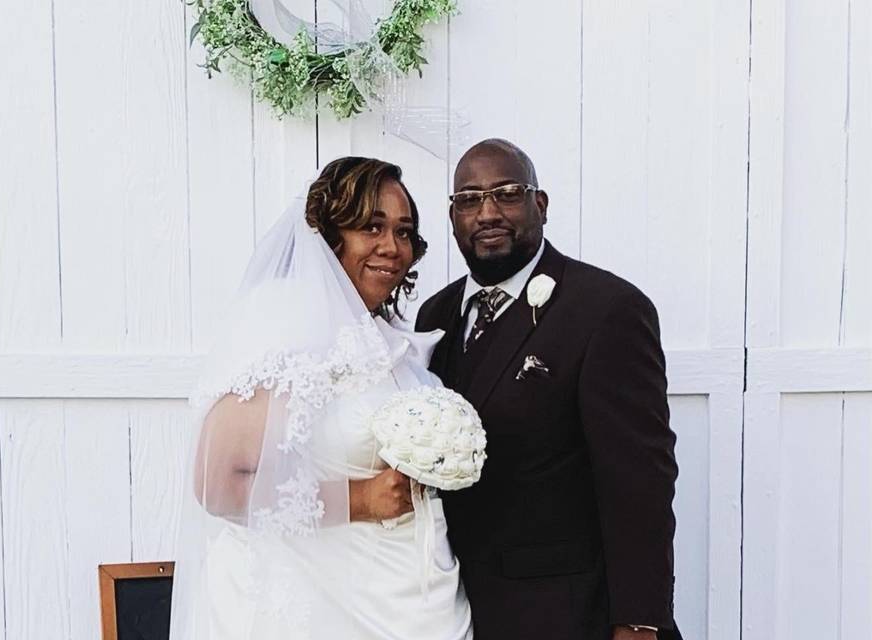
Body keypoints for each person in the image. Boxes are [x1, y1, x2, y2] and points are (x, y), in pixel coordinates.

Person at [170, 157, 472, 640]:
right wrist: (362, 499)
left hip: (411, 599)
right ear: (330, 236)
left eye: (403, 231)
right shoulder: (287, 326)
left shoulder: (388, 341)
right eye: (370, 227)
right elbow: (216, 482)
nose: (392, 247)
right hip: (324, 606)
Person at [415, 139, 682, 640]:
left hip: (567, 611)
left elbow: (640, 481)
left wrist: (639, 620)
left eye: (507, 193)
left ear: (541, 205)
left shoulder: (605, 308)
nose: (487, 212)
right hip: (453, 607)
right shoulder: (435, 316)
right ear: (453, 217)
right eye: (469, 199)